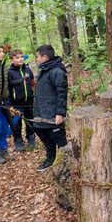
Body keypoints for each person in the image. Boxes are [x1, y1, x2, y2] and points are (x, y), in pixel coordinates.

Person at [33, 44, 68, 172]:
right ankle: (51, 159)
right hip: (42, 112)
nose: (37, 59)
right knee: (44, 136)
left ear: (45, 57)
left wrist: (60, 113)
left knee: (60, 140)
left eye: (38, 57)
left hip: (53, 114)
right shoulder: (45, 69)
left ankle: (68, 164)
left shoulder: (57, 71)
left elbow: (61, 93)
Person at [8, 49, 35, 152]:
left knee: (30, 120)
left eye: (21, 57)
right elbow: (8, 87)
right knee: (17, 122)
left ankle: (31, 137)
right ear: (12, 60)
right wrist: (9, 103)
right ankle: (18, 140)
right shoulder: (10, 72)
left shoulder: (27, 70)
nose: (20, 59)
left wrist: (34, 95)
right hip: (16, 102)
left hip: (28, 100)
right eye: (17, 58)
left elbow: (32, 83)